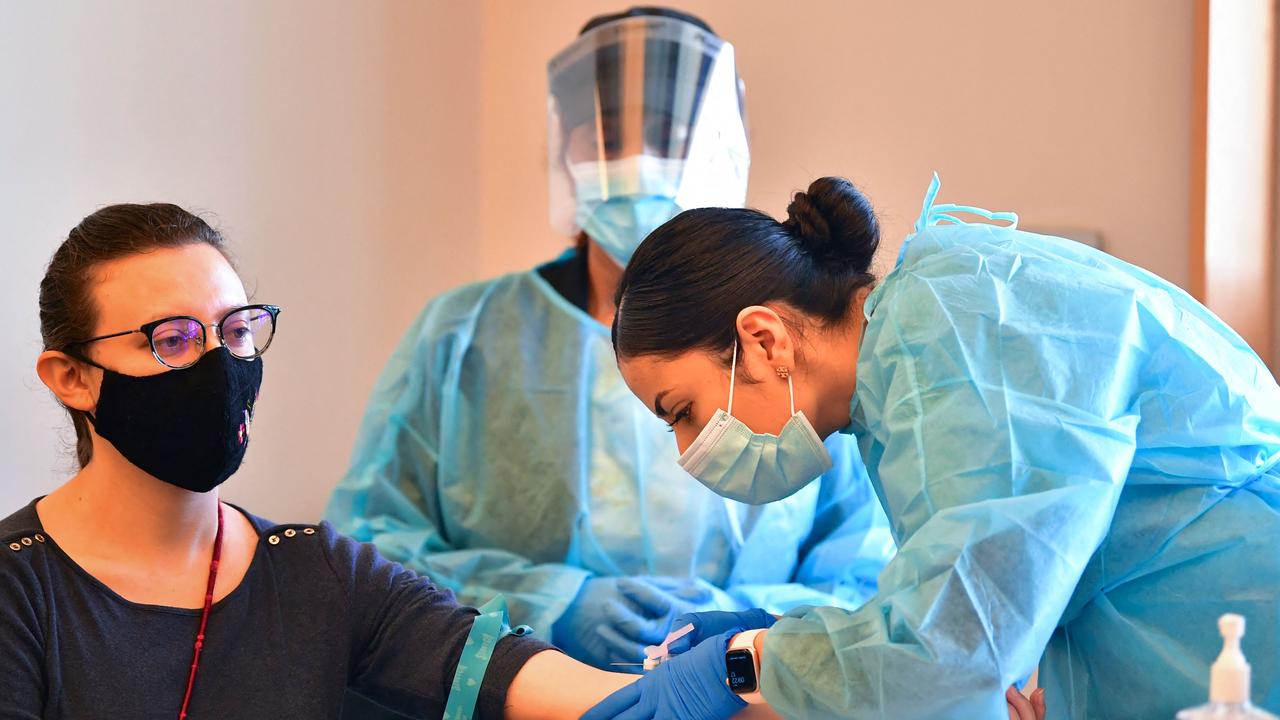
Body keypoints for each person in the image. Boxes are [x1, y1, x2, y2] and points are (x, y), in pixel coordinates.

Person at [324, 6, 894, 673]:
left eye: (666, 131)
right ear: (567, 146)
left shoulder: (787, 343)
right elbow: (365, 552)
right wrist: (548, 602)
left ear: (718, 145)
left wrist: (745, 623)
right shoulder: (464, 337)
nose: (639, 159)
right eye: (610, 133)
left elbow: (873, 576)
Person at [588, 174, 1280, 719]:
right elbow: (971, 603)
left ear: (764, 340)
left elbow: (955, 646)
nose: (688, 449)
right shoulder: (902, 379)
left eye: (681, 412)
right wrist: (788, 634)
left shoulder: (948, 335)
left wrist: (746, 663)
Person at [0, 202, 651, 719]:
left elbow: (537, 682)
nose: (219, 367)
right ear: (71, 378)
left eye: (236, 332)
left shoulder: (319, 575)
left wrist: (737, 661)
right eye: (173, 339)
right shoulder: (20, 594)